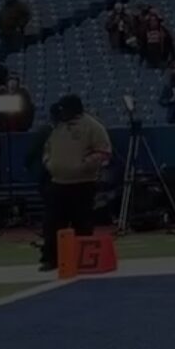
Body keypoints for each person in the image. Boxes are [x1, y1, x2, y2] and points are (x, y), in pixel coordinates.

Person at [39, 95, 111, 271]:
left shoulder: (93, 126)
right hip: (58, 181)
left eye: (64, 109)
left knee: (82, 223)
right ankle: (51, 258)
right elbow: (47, 148)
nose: (61, 112)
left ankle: (82, 259)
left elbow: (104, 152)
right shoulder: (57, 127)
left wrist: (85, 164)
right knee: (52, 223)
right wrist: (48, 162)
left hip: (83, 182)